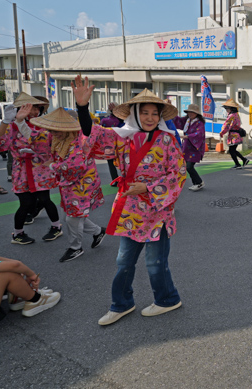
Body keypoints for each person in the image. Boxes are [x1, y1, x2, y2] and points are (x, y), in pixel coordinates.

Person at [72, 77, 186, 326]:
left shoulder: (167, 141)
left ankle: (167, 299)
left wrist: (147, 187)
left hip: (158, 211)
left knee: (156, 263)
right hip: (130, 210)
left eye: (154, 113)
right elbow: (93, 136)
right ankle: (121, 303)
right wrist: (82, 108)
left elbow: (178, 174)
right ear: (134, 114)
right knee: (123, 261)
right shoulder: (121, 138)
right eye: (144, 112)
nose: (150, 118)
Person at [0, 93, 62, 245]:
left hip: (40, 167)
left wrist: (36, 150)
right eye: (32, 107)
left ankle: (56, 226)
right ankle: (18, 233)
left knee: (45, 198)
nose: (36, 111)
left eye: (38, 107)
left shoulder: (42, 123)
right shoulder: (11, 125)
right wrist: (5, 121)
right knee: (25, 203)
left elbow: (46, 143)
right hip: (21, 168)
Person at [29, 108, 106, 263]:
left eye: (57, 129)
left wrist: (53, 166)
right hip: (70, 183)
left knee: (72, 217)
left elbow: (75, 166)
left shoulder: (81, 140)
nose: (53, 132)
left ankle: (75, 248)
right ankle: (98, 231)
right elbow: (41, 143)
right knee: (75, 216)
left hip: (83, 183)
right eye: (51, 129)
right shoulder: (58, 138)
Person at [173, 104, 207, 191]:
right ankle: (196, 183)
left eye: (193, 112)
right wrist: (171, 112)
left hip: (195, 148)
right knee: (187, 166)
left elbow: (200, 134)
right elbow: (178, 121)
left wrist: (188, 136)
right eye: (189, 112)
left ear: (197, 114)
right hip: (187, 147)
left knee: (189, 166)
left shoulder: (199, 123)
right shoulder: (187, 120)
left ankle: (198, 182)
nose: (191, 114)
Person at [220, 99, 249, 169]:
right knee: (232, 150)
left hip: (234, 135)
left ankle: (238, 163)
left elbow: (226, 125)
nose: (226, 110)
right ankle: (244, 160)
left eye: (227, 108)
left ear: (231, 108)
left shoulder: (231, 116)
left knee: (231, 150)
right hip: (236, 134)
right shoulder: (236, 114)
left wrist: (222, 133)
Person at [100, 102, 123, 182]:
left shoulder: (104, 120)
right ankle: (124, 178)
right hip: (120, 144)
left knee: (110, 163)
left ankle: (115, 180)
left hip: (108, 145)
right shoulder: (122, 121)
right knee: (122, 162)